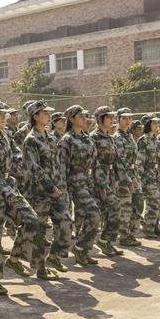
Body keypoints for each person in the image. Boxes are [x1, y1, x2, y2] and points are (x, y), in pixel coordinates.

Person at [0, 100, 41, 295]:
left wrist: (23, 173)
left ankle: (14, 259)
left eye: (5, 114)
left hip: (9, 188)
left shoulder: (5, 136)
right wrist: (10, 193)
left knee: (32, 220)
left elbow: (17, 157)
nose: (4, 117)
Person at [22, 100, 72, 277]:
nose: (49, 116)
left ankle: (54, 257)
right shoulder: (31, 140)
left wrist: (60, 185)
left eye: (50, 113)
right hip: (40, 192)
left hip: (56, 190)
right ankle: (40, 268)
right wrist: (50, 187)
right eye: (45, 113)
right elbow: (34, 167)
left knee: (66, 223)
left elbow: (57, 165)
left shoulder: (51, 137)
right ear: (35, 116)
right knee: (40, 232)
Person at [58, 105, 103, 266]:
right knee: (94, 214)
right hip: (75, 183)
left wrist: (100, 184)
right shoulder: (67, 140)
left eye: (85, 116)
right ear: (71, 119)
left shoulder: (86, 137)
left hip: (88, 181)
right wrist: (63, 190)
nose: (85, 119)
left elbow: (95, 163)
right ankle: (79, 247)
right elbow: (61, 167)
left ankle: (82, 251)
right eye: (81, 116)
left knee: (84, 218)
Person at [90, 106, 127, 256]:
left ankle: (106, 242)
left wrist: (127, 180)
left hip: (110, 178)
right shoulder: (93, 138)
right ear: (100, 119)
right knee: (113, 208)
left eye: (113, 117)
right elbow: (94, 163)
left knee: (109, 211)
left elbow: (117, 161)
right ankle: (93, 244)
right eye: (108, 117)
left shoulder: (110, 138)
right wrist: (101, 185)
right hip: (98, 180)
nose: (112, 119)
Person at [113, 108, 142, 247]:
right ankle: (124, 236)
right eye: (124, 118)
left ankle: (131, 233)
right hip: (123, 177)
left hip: (133, 174)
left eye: (130, 118)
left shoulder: (129, 136)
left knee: (138, 203)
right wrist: (131, 178)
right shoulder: (117, 138)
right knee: (125, 207)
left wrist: (135, 175)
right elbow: (121, 160)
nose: (127, 120)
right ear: (118, 119)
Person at [135, 114, 160, 239]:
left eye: (157, 123)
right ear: (148, 124)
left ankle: (155, 226)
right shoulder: (144, 140)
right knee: (153, 201)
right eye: (154, 123)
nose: (157, 125)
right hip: (147, 175)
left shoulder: (156, 140)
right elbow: (140, 161)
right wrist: (140, 178)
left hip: (156, 174)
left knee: (158, 201)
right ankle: (148, 228)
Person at [130, 120, 145, 233]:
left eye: (141, 128)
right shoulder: (131, 140)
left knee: (139, 200)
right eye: (138, 129)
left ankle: (137, 221)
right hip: (130, 175)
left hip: (138, 173)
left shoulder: (140, 141)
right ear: (133, 130)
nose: (141, 131)